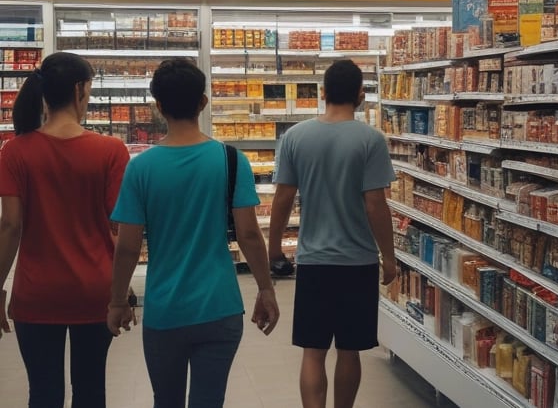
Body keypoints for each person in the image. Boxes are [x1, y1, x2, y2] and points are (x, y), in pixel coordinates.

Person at [106, 58, 280, 408]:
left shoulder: (140, 168)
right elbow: (248, 234)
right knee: (209, 400)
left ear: (158, 107)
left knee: (166, 401)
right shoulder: (231, 160)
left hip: (165, 310)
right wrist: (266, 288)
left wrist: (117, 301)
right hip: (219, 307)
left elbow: (127, 247)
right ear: (203, 102)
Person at [0, 52, 129, 408]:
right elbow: (118, 229)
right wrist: (123, 292)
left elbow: (11, 225)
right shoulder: (111, 150)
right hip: (95, 291)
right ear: (80, 90)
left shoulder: (15, 151)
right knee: (91, 392)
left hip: (36, 294)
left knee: (43, 394)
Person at [268, 59, 397, 408]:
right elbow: (375, 205)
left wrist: (274, 249)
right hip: (358, 262)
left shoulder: (295, 137)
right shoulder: (371, 140)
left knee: (313, 351)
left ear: (322, 94)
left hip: (314, 260)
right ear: (361, 95)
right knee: (350, 351)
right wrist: (389, 258)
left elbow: (283, 198)